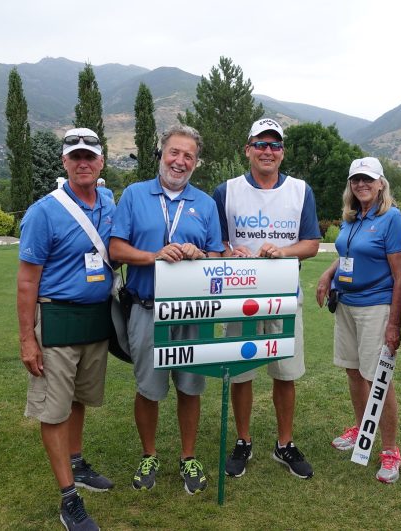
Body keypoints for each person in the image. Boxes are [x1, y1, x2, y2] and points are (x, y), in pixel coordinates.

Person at [109, 124, 224, 496]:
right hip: (146, 307)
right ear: (161, 154)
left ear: (196, 163)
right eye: (174, 152)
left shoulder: (205, 203)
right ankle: (149, 454)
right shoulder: (134, 195)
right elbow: (116, 249)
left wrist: (200, 254)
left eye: (188, 156)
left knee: (191, 387)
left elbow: (218, 256)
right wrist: (153, 256)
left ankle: (188, 456)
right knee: (149, 388)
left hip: (193, 311)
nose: (180, 161)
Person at [17, 127, 116, 530]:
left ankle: (76, 462)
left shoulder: (109, 202)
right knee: (54, 409)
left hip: (95, 321)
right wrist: (27, 339)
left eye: (89, 156)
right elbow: (27, 280)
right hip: (57, 318)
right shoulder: (44, 211)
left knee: (78, 398)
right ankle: (68, 497)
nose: (83, 163)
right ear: (64, 163)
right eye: (75, 156)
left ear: (101, 161)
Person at [213, 118, 321, 479]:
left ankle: (284, 443)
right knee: (241, 374)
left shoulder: (301, 190)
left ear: (282, 152)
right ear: (248, 149)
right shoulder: (225, 191)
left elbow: (311, 244)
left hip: (285, 296)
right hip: (239, 299)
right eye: (260, 144)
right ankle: (243, 440)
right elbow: (216, 244)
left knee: (285, 373)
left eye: (275, 145)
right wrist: (230, 251)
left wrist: (285, 251)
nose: (267, 151)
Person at [315, 157, 401, 483]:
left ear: (381, 183)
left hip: (376, 308)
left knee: (377, 379)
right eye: (356, 179)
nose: (361, 184)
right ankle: (360, 429)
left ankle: (390, 450)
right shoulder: (353, 217)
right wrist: (328, 275)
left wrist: (395, 324)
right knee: (354, 373)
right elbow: (346, 255)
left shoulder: (391, 218)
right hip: (345, 305)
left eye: (368, 179)